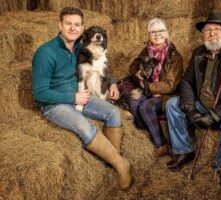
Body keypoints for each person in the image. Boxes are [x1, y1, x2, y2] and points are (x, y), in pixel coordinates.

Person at [32, 7, 133, 190]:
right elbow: (40, 93)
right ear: (59, 25)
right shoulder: (45, 53)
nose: (73, 28)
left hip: (80, 96)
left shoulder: (82, 47)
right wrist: (72, 97)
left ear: (82, 27)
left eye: (77, 24)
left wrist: (110, 83)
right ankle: (121, 164)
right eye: (68, 24)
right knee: (82, 124)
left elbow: (101, 65)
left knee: (112, 112)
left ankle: (112, 157)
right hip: (55, 104)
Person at [165, 10, 221, 186]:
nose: (212, 33)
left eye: (217, 29)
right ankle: (184, 150)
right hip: (202, 104)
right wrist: (190, 109)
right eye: (207, 29)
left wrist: (214, 115)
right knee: (171, 104)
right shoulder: (199, 53)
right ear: (203, 34)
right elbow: (186, 82)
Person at [128, 18, 184, 158]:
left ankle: (161, 144)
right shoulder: (146, 51)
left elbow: (170, 86)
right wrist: (138, 73)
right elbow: (133, 65)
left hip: (166, 95)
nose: (157, 34)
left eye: (161, 31)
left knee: (145, 107)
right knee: (133, 102)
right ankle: (147, 135)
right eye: (153, 32)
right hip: (148, 90)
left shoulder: (174, 57)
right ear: (148, 35)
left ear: (166, 33)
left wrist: (147, 86)